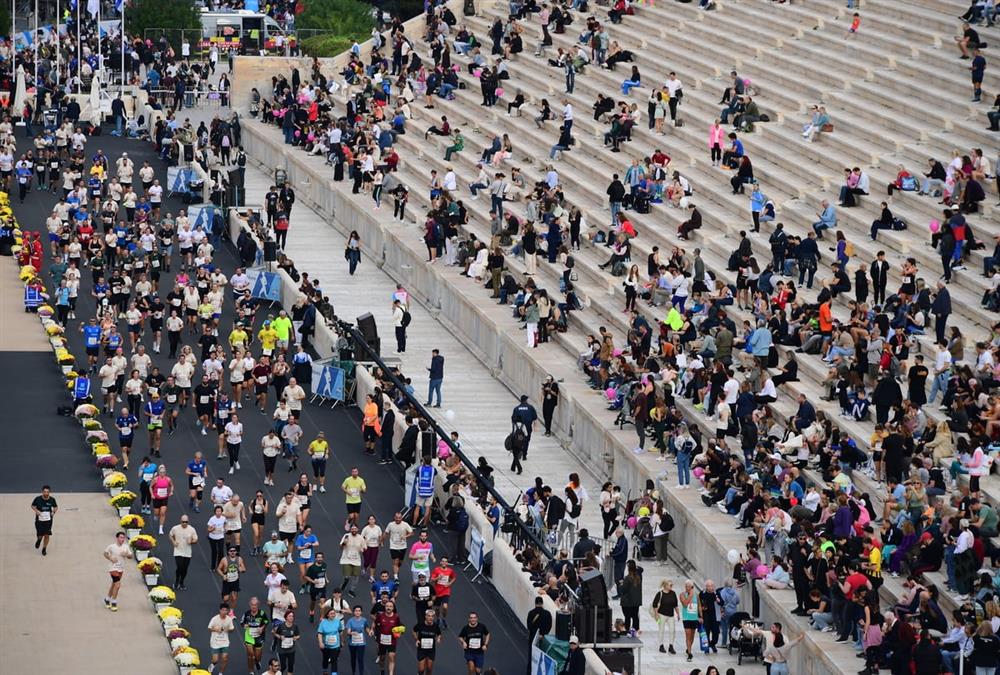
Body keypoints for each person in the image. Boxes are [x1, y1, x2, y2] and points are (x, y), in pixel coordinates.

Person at [103, 531, 132, 612]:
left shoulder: (126, 547)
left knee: (114, 584)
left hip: (121, 569)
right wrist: (110, 558)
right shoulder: (112, 546)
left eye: (123, 538)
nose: (122, 539)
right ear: (117, 538)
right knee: (118, 585)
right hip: (113, 568)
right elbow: (105, 553)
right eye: (121, 537)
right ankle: (114, 602)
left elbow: (130, 556)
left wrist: (126, 555)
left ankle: (107, 599)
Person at [169, 515, 198, 590]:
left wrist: (191, 541)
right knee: (179, 566)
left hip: (187, 552)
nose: (184, 523)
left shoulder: (191, 529)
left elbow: (196, 539)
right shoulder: (175, 528)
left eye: (186, 522)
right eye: (183, 522)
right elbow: (170, 535)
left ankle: (181, 582)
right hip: (178, 551)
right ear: (180, 521)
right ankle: (176, 581)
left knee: (185, 568)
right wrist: (173, 542)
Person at [208, 602, 236, 674]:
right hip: (215, 642)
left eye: (225, 610)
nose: (224, 612)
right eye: (222, 610)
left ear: (228, 611)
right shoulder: (214, 619)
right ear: (220, 610)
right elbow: (209, 628)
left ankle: (221, 673)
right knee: (215, 660)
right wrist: (216, 629)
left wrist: (228, 629)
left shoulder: (229, 619)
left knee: (225, 658)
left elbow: (232, 629)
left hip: (225, 642)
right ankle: (213, 664)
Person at [31, 485, 58, 555]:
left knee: (47, 535)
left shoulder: (52, 499)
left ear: (49, 492)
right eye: (44, 492)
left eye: (47, 492)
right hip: (39, 520)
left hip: (48, 520)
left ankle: (44, 548)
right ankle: (39, 540)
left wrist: (53, 512)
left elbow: (56, 507)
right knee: (40, 534)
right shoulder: (37, 499)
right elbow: (33, 506)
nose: (46, 493)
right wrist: (36, 511)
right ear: (42, 492)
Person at [317, 605, 344, 675]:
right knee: (325, 659)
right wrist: (320, 643)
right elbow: (319, 633)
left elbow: (341, 632)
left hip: (335, 645)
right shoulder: (323, 622)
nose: (333, 615)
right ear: (327, 615)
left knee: (334, 660)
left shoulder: (338, 621)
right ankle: (325, 670)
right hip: (325, 646)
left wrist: (342, 641)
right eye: (331, 614)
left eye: (334, 613)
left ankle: (334, 673)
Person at [415, 608, 443, 674]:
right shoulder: (420, 624)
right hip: (421, 649)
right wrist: (417, 639)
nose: (430, 618)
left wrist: (439, 638)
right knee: (421, 669)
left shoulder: (435, 626)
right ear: (425, 616)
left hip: (431, 650)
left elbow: (439, 634)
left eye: (432, 616)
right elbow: (414, 631)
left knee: (429, 668)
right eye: (429, 616)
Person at [273, 610, 301, 675]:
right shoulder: (281, 626)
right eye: (290, 616)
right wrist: (280, 637)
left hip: (291, 649)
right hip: (281, 650)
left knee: (291, 666)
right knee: (283, 666)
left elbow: (298, 635)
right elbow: (275, 633)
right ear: (286, 617)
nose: (291, 617)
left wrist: (296, 637)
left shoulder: (295, 626)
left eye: (292, 616)